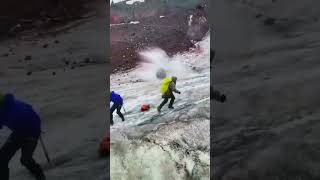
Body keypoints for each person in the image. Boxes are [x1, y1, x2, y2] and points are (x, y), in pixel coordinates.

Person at [0, 93, 46, 180]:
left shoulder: (7, 111)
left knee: (24, 159)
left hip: (32, 132)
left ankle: (39, 174)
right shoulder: (11, 103)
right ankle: (38, 173)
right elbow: (30, 108)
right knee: (4, 159)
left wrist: (37, 130)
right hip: (20, 131)